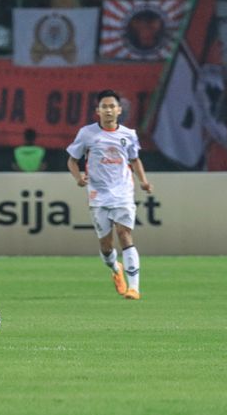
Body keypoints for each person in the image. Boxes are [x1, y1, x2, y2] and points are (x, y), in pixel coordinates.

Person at [66, 89, 153, 300]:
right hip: (98, 195)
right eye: (104, 106)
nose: (108, 110)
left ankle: (134, 288)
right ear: (97, 110)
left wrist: (143, 181)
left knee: (125, 235)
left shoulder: (129, 134)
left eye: (112, 106)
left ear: (119, 109)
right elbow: (71, 160)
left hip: (123, 192)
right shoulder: (87, 134)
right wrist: (78, 178)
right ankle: (115, 268)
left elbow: (134, 160)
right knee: (106, 247)